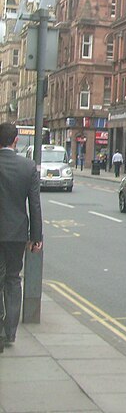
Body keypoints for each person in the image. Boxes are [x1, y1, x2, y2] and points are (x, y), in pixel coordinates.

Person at [0, 123, 43, 352]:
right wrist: (36, 237)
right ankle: (10, 332)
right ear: (15, 140)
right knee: (13, 279)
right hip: (17, 234)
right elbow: (34, 205)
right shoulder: (28, 167)